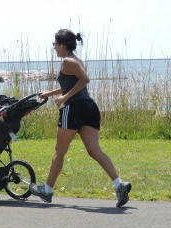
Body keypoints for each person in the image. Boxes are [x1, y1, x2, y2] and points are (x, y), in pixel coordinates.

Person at [29, 29, 131, 207]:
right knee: (94, 151)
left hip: (75, 108)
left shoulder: (68, 61)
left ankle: (46, 190)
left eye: (55, 45)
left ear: (62, 45)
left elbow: (85, 80)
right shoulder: (75, 60)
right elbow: (71, 84)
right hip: (89, 108)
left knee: (59, 151)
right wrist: (51, 93)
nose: (54, 48)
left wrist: (65, 98)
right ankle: (119, 185)